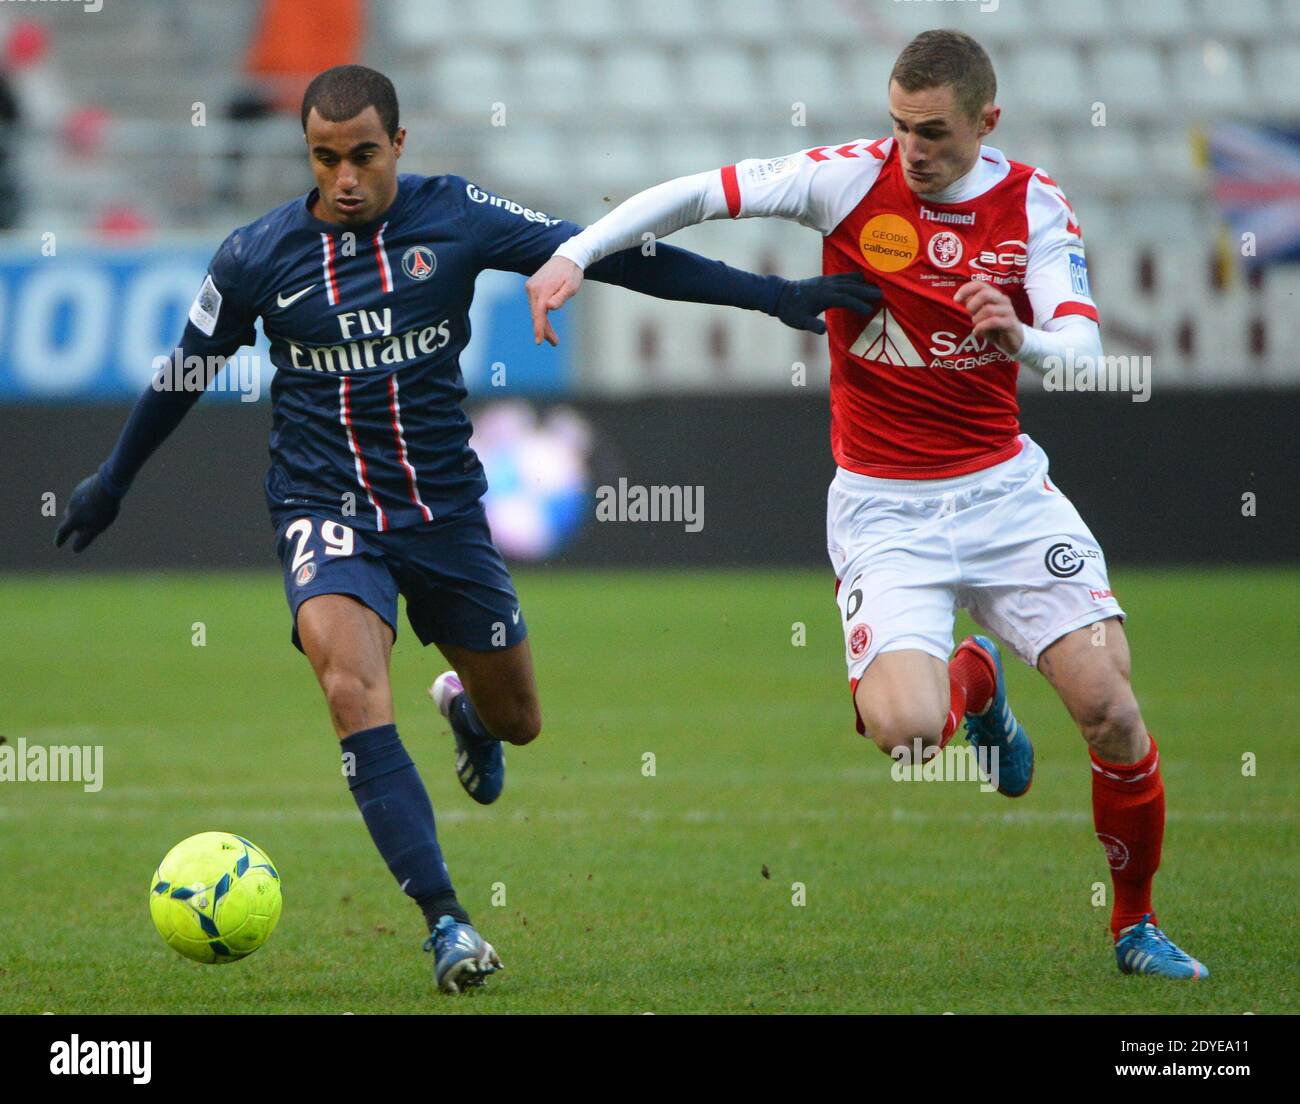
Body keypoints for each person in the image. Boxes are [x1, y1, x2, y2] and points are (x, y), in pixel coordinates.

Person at [54, 65, 879, 994]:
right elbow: (185, 366)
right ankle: (447, 921)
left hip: (443, 510)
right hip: (324, 508)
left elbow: (608, 252)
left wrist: (770, 298)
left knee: (520, 721)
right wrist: (113, 478)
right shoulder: (256, 256)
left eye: (364, 155)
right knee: (349, 686)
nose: (347, 179)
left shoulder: (455, 217)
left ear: (398, 145)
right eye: (325, 160)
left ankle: (466, 711)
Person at [525, 30, 1207, 980]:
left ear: (986, 122)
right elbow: (694, 192)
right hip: (887, 510)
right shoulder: (847, 180)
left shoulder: (1032, 204)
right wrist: (577, 255)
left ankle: (1133, 925)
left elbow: (1090, 358)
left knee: (1111, 711)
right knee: (908, 740)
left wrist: (1023, 338)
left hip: (1006, 493)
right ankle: (974, 687)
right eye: (899, 127)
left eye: (932, 132)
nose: (911, 151)